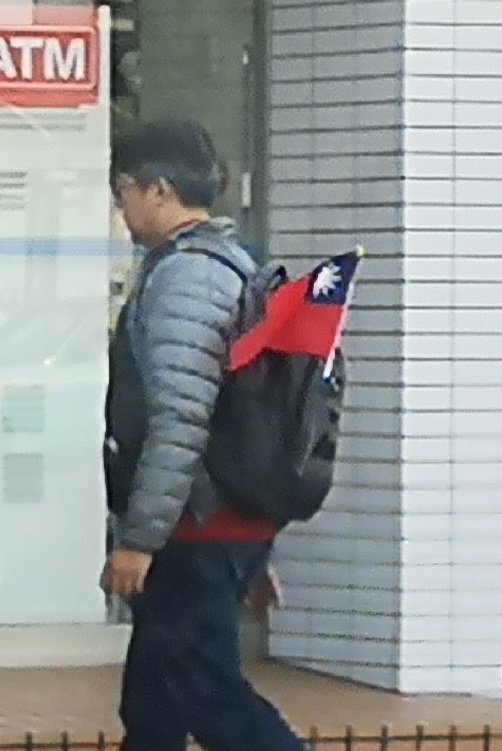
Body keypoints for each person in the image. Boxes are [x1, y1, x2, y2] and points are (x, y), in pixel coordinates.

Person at [102, 119, 305, 751]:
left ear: (159, 190)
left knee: (209, 697)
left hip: (196, 528)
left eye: (123, 191)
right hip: (216, 523)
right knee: (154, 703)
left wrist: (140, 540)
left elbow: (181, 418)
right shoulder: (230, 264)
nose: (121, 209)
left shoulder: (187, 278)